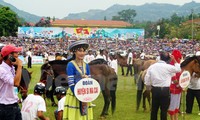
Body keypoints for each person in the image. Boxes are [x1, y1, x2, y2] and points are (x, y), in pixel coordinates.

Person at [144, 50, 181, 120]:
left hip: (155, 90)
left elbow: (147, 79)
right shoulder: (168, 67)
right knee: (164, 110)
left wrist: (148, 88)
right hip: (165, 91)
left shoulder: (152, 67)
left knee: (154, 110)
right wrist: (174, 60)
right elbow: (178, 69)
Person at [63, 40, 93, 120]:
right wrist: (80, 96)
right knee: (75, 116)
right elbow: (71, 83)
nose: (82, 53)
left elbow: (91, 81)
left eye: (83, 51)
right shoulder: (70, 65)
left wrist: (86, 96)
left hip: (85, 94)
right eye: (80, 51)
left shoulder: (86, 65)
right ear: (74, 52)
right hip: (75, 94)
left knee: (84, 116)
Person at [0, 44, 23, 120]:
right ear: (10, 56)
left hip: (14, 104)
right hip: (5, 107)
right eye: (16, 53)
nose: (18, 55)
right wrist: (19, 66)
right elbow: (15, 83)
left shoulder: (11, 67)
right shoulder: (2, 69)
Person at [168, 50, 182, 120]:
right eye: (178, 58)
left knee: (177, 104)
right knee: (173, 104)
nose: (179, 59)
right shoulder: (171, 65)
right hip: (173, 86)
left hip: (179, 87)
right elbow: (173, 77)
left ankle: (176, 118)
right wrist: (178, 85)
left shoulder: (178, 64)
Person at [186, 51, 200, 115]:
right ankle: (188, 111)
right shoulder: (191, 65)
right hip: (190, 87)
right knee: (189, 101)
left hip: (198, 87)